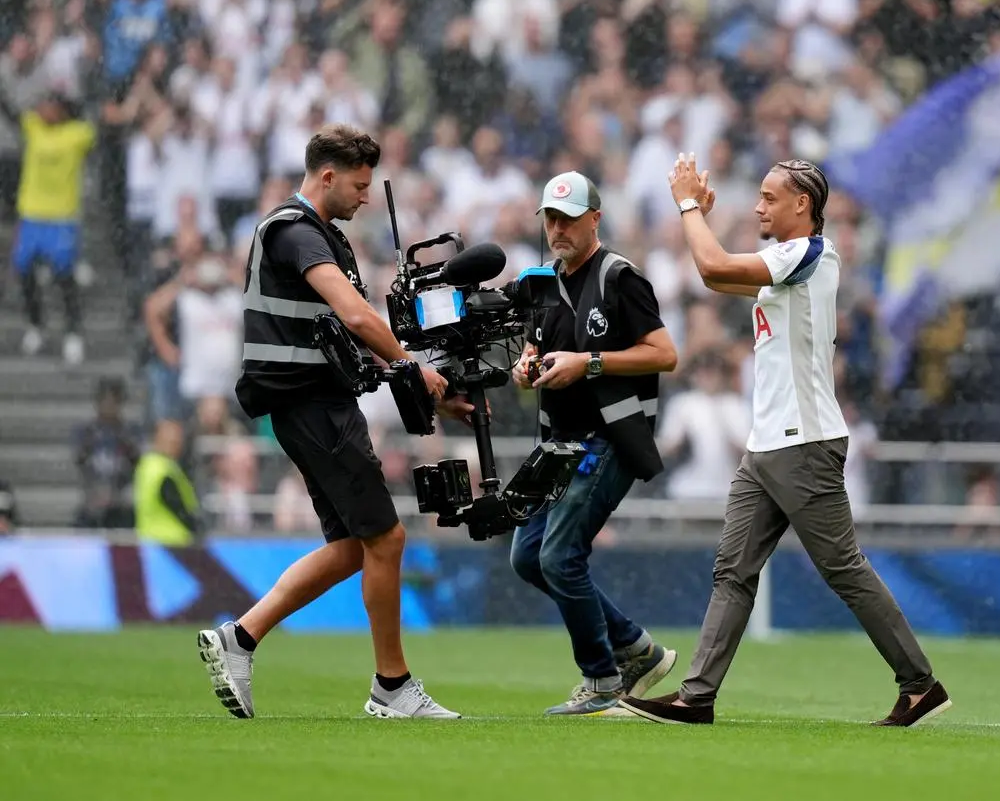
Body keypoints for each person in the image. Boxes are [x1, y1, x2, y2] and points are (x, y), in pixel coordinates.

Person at [620, 155, 950, 727]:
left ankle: (920, 685)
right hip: (768, 443)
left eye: (770, 197)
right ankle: (697, 697)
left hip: (804, 441)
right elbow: (715, 274)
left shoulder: (811, 253)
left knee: (842, 567)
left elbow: (712, 263)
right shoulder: (788, 259)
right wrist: (696, 217)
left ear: (804, 205)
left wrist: (688, 205)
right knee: (733, 570)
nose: (758, 206)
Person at [197, 124, 475, 720]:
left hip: (315, 404)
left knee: (354, 547)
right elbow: (352, 314)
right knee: (388, 538)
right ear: (327, 177)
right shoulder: (296, 233)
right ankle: (392, 688)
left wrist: (423, 385)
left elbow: (342, 336)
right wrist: (410, 364)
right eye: (358, 184)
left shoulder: (320, 236)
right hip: (313, 406)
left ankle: (238, 638)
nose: (366, 197)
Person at [509, 170, 680, 715]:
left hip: (609, 438)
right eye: (550, 218)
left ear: (595, 218)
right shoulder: (543, 282)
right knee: (529, 557)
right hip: (559, 443)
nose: (557, 229)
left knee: (559, 557)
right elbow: (539, 346)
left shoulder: (621, 277)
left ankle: (604, 681)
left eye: (568, 218)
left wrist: (591, 363)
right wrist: (525, 364)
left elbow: (664, 354)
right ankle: (635, 648)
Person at [1, 91, 96, 364]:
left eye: (49, 106)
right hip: (31, 216)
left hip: (62, 218)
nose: (43, 110)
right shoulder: (33, 128)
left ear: (62, 110)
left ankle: (73, 332)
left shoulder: (78, 134)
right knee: (25, 274)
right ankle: (36, 325)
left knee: (65, 278)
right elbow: (10, 110)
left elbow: (94, 127)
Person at [133, 419, 201, 545]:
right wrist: (196, 529)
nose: (178, 445)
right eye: (173, 441)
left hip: (150, 540)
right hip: (170, 543)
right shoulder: (161, 469)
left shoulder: (148, 464)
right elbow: (176, 505)